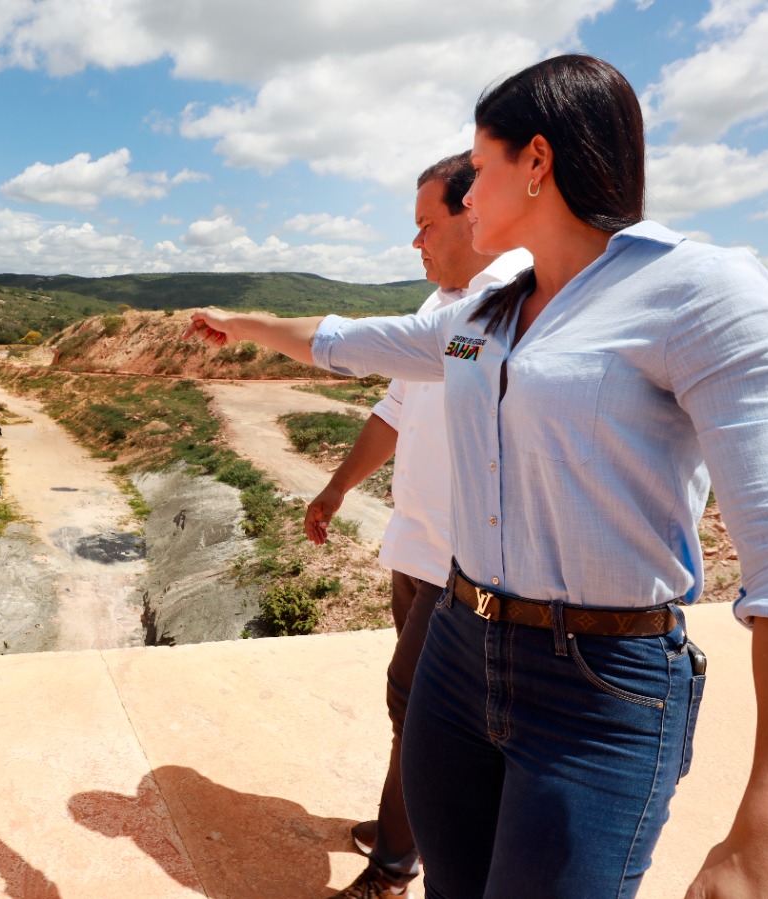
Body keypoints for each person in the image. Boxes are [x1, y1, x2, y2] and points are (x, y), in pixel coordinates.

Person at [183, 54, 768, 899]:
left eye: (478, 170)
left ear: (538, 164)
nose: (467, 194)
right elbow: (347, 340)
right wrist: (243, 322)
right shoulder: (484, 312)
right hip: (459, 646)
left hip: (597, 684)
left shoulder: (700, 294)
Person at [305, 151, 529, 899]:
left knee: (419, 709)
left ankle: (396, 862)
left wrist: (251, 326)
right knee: (413, 708)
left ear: (474, 214)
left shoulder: (505, 302)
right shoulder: (445, 311)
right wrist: (337, 488)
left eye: (426, 224)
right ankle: (411, 824)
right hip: (418, 548)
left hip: (466, 565)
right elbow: (394, 412)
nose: (417, 243)